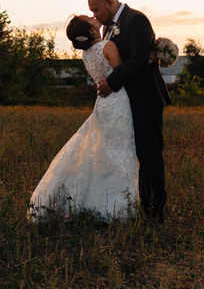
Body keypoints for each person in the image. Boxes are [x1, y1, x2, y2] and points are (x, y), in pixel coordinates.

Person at [28, 15, 139, 222]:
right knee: (119, 152)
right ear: (91, 31)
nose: (93, 17)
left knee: (105, 153)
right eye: (89, 18)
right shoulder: (108, 47)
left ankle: (100, 202)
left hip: (102, 104)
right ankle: (118, 207)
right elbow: (120, 73)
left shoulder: (86, 54)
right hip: (118, 102)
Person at [89, 0, 171, 223]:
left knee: (149, 156)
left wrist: (110, 83)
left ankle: (155, 212)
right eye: (91, 11)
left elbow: (138, 60)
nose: (95, 15)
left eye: (96, 9)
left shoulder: (137, 20)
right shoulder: (108, 27)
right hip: (124, 103)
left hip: (145, 99)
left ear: (110, 2)